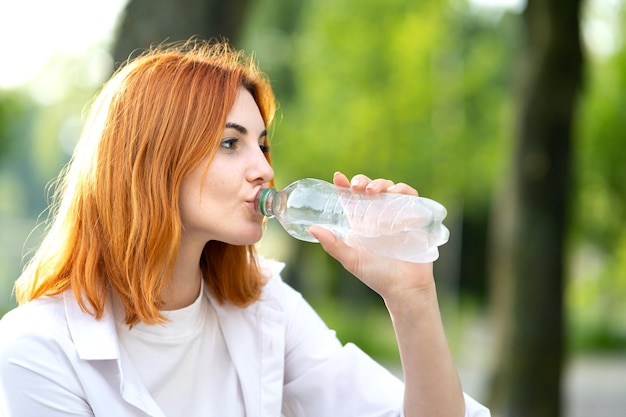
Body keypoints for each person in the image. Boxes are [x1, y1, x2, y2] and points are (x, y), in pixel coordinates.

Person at [0, 39, 490, 417]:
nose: (264, 168)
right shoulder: (38, 349)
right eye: (231, 144)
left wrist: (412, 300)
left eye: (262, 144)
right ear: (153, 160)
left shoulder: (264, 307)